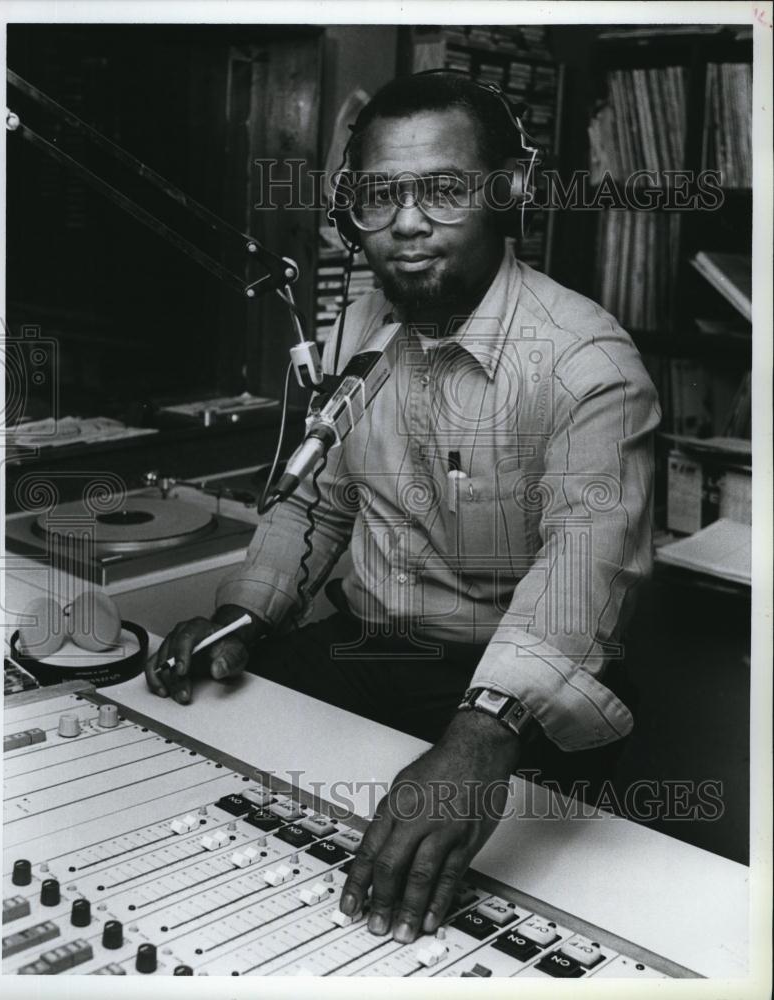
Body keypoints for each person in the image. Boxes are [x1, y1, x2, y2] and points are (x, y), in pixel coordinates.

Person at [146, 72, 660, 945]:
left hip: (504, 689)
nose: (408, 223)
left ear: (510, 191)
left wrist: (481, 734)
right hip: (362, 648)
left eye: (445, 190)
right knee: (183, 787)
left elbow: (584, 560)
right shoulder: (359, 332)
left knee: (465, 919)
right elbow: (317, 504)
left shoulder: (589, 365)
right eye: (380, 195)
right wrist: (245, 611)